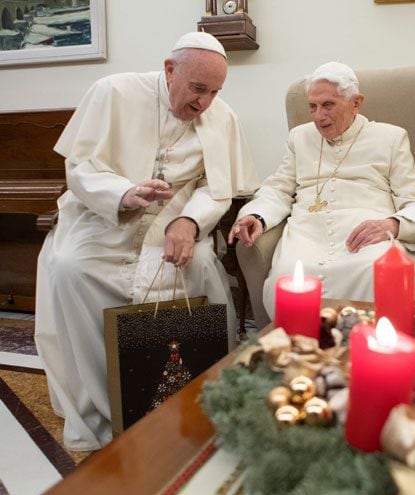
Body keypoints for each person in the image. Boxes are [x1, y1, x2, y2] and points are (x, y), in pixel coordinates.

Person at [34, 32, 258, 451]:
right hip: (102, 216)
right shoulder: (113, 92)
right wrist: (123, 193)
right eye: (197, 89)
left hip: (173, 222)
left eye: (214, 92)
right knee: (69, 268)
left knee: (196, 267)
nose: (205, 103)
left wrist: (189, 222)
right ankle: (106, 407)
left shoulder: (221, 116)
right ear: (170, 70)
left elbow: (218, 187)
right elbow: (80, 168)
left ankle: (178, 402)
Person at [229, 61, 415, 317]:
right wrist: (257, 216)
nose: (318, 116)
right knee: (288, 275)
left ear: (356, 103)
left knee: (375, 271)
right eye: (312, 107)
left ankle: (362, 349)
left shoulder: (391, 138)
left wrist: (392, 226)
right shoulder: (300, 137)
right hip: (307, 233)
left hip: (367, 234)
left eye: (328, 105)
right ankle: (299, 353)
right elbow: (279, 189)